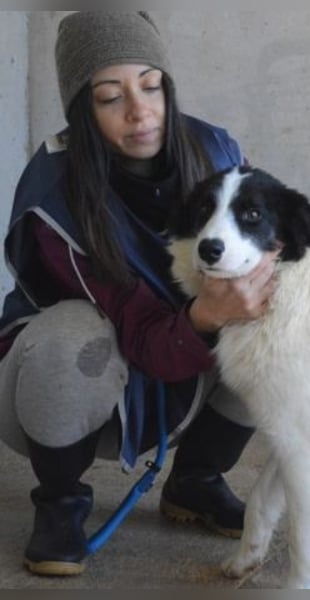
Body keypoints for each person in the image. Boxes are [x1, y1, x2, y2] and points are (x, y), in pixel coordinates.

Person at [0, 11, 279, 577]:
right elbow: (136, 327)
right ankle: (60, 502)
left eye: (151, 86)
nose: (139, 110)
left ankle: (196, 481)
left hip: (180, 354)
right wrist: (207, 315)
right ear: (82, 108)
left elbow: (271, 235)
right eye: (110, 96)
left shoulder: (216, 151)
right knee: (74, 335)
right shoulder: (54, 195)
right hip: (66, 386)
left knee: (280, 321)